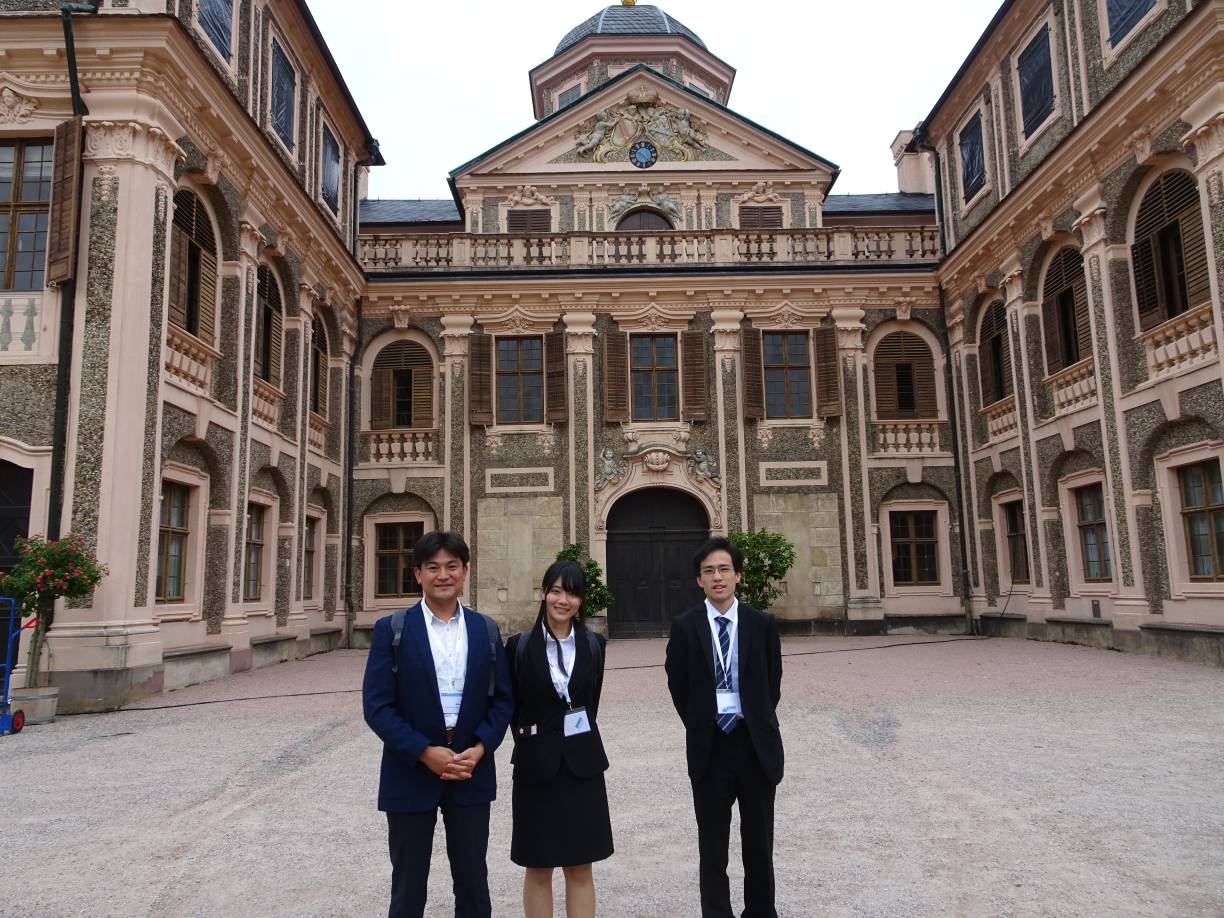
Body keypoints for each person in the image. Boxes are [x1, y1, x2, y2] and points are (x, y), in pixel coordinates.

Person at [362, 531, 513, 918]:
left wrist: (480, 748)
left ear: (465, 571)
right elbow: (377, 706)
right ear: (417, 574)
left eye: (451, 566)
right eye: (433, 567)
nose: (442, 575)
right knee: (408, 883)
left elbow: (502, 700)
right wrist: (424, 752)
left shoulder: (485, 629)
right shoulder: (392, 630)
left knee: (473, 879)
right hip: (411, 770)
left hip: (469, 769)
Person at [665, 537, 784, 918]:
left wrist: (753, 717)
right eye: (709, 571)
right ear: (698, 580)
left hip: (754, 746)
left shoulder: (761, 624)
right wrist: (703, 722)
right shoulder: (685, 627)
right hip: (711, 747)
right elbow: (678, 685)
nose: (717, 577)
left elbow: (772, 683)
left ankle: (761, 912)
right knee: (712, 847)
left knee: (759, 845)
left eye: (724, 569)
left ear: (737, 575)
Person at [506, 560, 613, 918]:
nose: (562, 600)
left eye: (572, 593)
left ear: (581, 600)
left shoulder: (594, 645)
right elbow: (514, 709)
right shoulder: (519, 646)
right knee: (538, 866)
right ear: (543, 593)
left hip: (583, 766)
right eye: (555, 591)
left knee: (580, 866)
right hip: (536, 768)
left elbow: (590, 702)